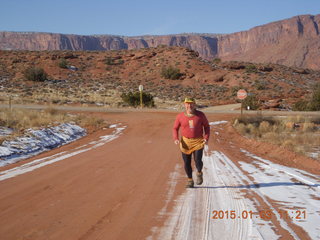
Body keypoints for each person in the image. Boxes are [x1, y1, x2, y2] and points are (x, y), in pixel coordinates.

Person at [172, 97, 210, 188]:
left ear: (194, 104)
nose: (189, 106)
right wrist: (176, 138)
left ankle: (199, 172)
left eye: (191, 103)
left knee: (197, 160)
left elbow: (207, 127)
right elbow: (175, 128)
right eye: (187, 104)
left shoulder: (200, 115)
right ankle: (190, 180)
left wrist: (206, 137)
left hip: (198, 141)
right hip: (185, 142)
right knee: (187, 162)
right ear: (184, 105)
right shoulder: (180, 116)